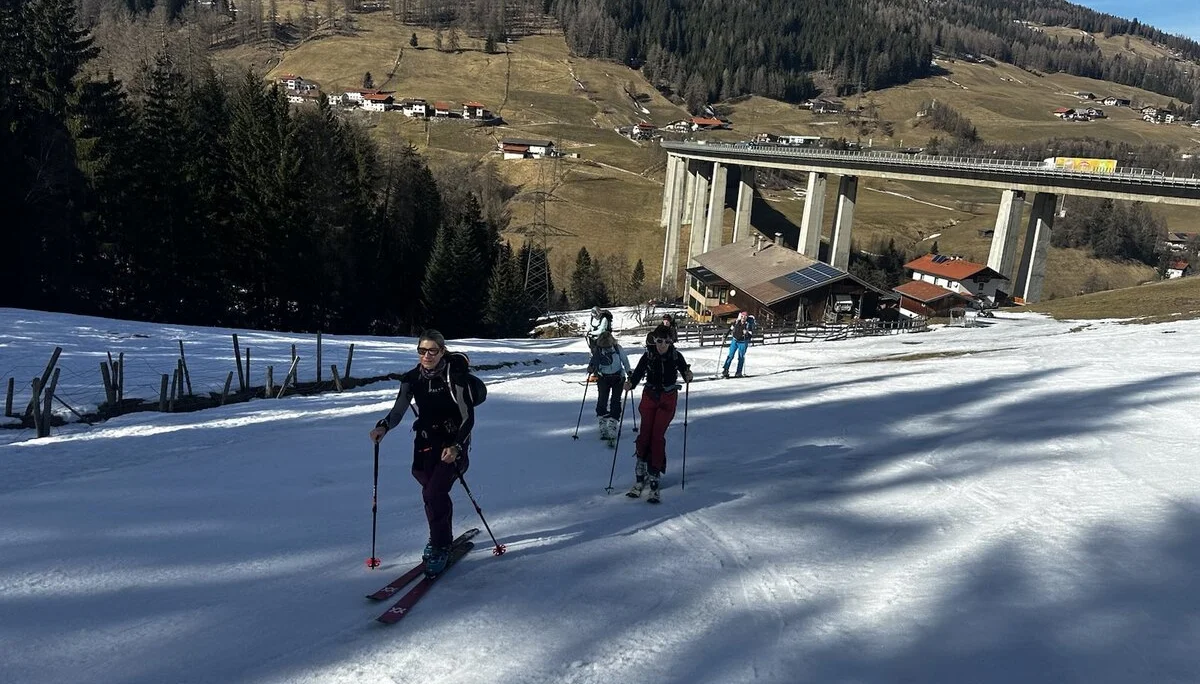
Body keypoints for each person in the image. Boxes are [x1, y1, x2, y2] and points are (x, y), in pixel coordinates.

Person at [369, 330, 475, 576]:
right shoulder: (411, 379)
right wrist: (383, 427)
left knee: (434, 491)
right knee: (429, 489)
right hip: (425, 443)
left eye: (432, 351)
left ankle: (439, 544)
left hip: (452, 444)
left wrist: (458, 445)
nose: (426, 356)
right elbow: (398, 412)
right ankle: (442, 537)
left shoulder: (454, 378)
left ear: (442, 351)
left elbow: (469, 417)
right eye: (422, 350)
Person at [623, 325, 693, 502]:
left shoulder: (676, 356)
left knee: (657, 436)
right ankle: (640, 472)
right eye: (659, 341)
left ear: (671, 342)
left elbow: (685, 372)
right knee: (644, 434)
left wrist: (688, 374)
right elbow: (638, 373)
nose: (662, 345)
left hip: (667, 398)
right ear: (654, 340)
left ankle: (654, 473)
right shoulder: (648, 355)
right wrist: (630, 383)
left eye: (666, 341)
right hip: (650, 396)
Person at [587, 331, 632, 441]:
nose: (606, 347)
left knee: (615, 400)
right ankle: (603, 421)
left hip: (617, 378)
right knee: (603, 399)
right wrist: (591, 368)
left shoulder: (617, 348)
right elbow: (593, 362)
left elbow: (625, 361)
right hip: (604, 378)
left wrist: (629, 372)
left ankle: (612, 422)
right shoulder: (599, 350)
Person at [722, 311, 756, 378]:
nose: (743, 318)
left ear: (746, 317)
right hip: (735, 340)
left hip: (743, 342)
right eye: (742, 316)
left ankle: (739, 372)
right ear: (741, 316)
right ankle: (725, 370)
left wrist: (746, 333)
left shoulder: (748, 325)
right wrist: (725, 337)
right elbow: (730, 329)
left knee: (740, 357)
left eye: (745, 317)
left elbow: (750, 335)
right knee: (730, 355)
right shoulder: (737, 322)